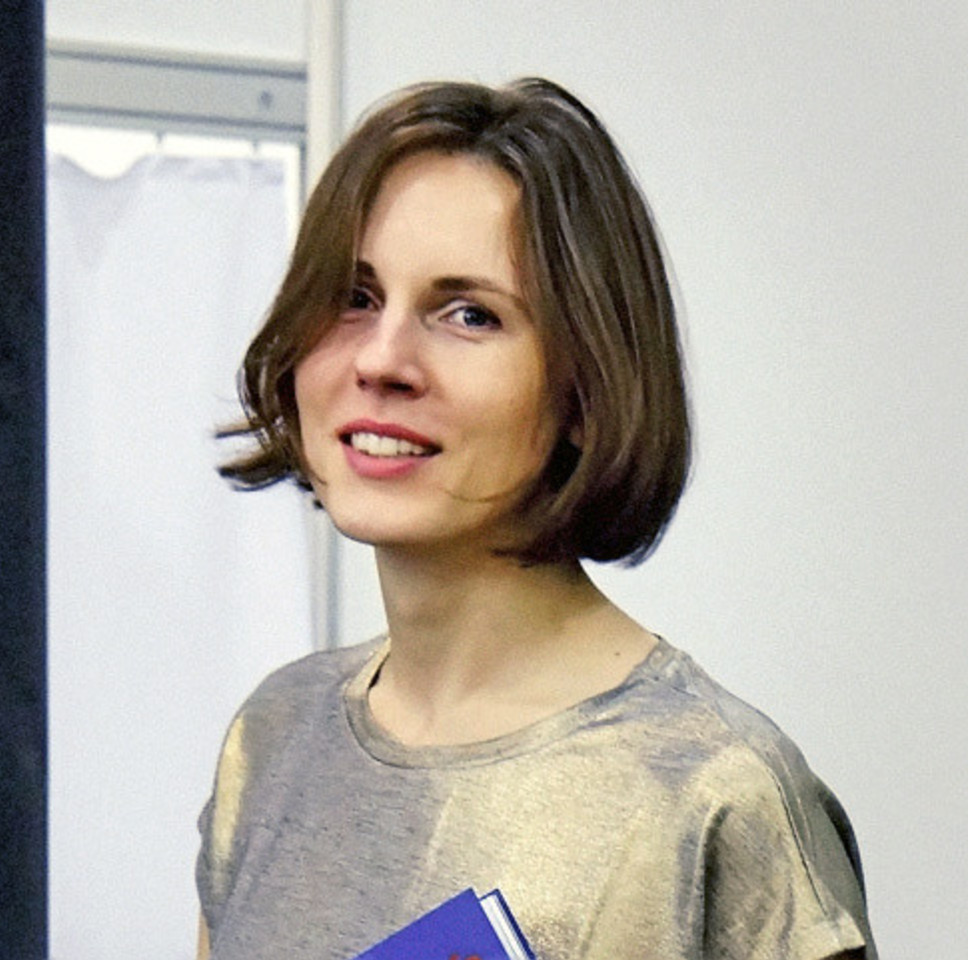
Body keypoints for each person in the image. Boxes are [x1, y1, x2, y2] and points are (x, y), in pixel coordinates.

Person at [195, 79, 874, 960]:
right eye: (355, 297)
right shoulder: (275, 739)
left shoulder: (716, 796)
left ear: (584, 390)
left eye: (469, 314)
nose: (383, 360)